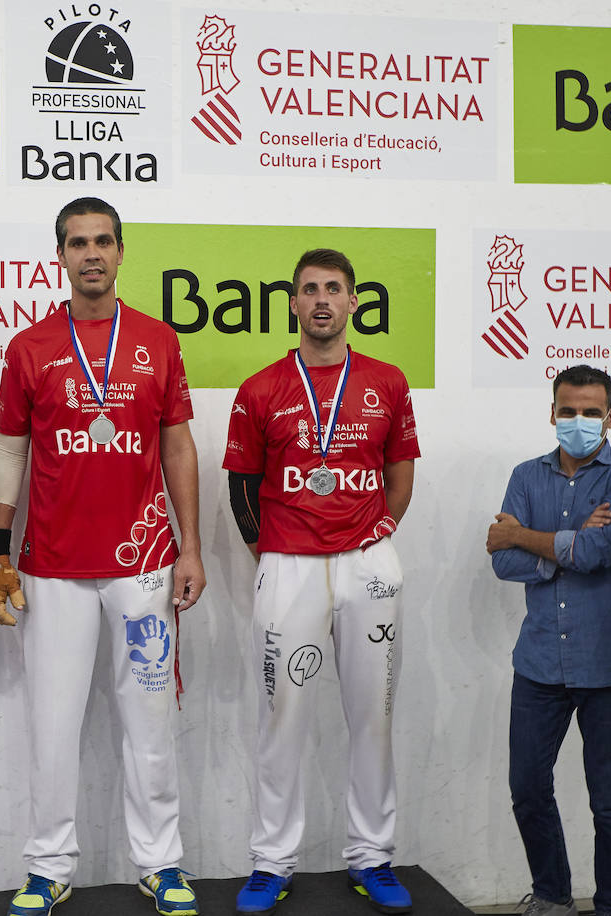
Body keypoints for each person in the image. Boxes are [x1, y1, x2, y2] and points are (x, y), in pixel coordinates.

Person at [0, 197, 205, 916]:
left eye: (103, 241)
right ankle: (49, 867)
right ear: (60, 255)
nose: (91, 254)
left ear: (119, 250)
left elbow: (177, 445)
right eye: (77, 243)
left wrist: (191, 547)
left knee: (149, 722)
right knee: (52, 724)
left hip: (143, 563)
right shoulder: (30, 347)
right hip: (51, 566)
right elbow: (10, 448)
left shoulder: (158, 340)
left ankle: (161, 863)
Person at [222, 248, 419, 915]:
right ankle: (272, 862)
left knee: (375, 716)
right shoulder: (260, 389)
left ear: (355, 301)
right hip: (289, 565)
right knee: (283, 715)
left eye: (334, 288)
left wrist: (374, 535)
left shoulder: (388, 383)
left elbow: (399, 473)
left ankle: (372, 855)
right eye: (310, 290)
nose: (322, 300)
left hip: (368, 564)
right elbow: (242, 487)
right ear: (294, 304)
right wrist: (276, 552)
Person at [485, 365, 611, 916]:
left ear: (609, 417)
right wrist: (571, 541)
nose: (577, 421)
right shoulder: (525, 474)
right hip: (537, 665)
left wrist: (531, 537)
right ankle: (554, 897)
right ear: (551, 413)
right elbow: (503, 560)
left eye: (589, 412)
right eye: (567, 410)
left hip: (610, 667)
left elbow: (601, 551)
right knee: (528, 791)